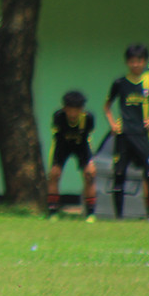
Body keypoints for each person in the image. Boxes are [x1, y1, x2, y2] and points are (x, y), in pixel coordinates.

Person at [103, 44, 149, 219]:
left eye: (139, 61)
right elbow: (107, 106)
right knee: (119, 173)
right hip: (124, 134)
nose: (135, 65)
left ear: (145, 62)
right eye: (132, 61)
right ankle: (119, 217)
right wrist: (112, 124)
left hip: (142, 134)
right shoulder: (120, 83)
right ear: (127, 62)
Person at [46, 90, 97, 221]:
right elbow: (57, 138)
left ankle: (90, 213)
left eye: (76, 110)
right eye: (70, 110)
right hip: (63, 145)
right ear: (65, 108)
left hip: (81, 145)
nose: (73, 114)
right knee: (54, 174)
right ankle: (52, 211)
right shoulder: (58, 117)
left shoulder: (88, 118)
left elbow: (88, 137)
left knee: (90, 174)